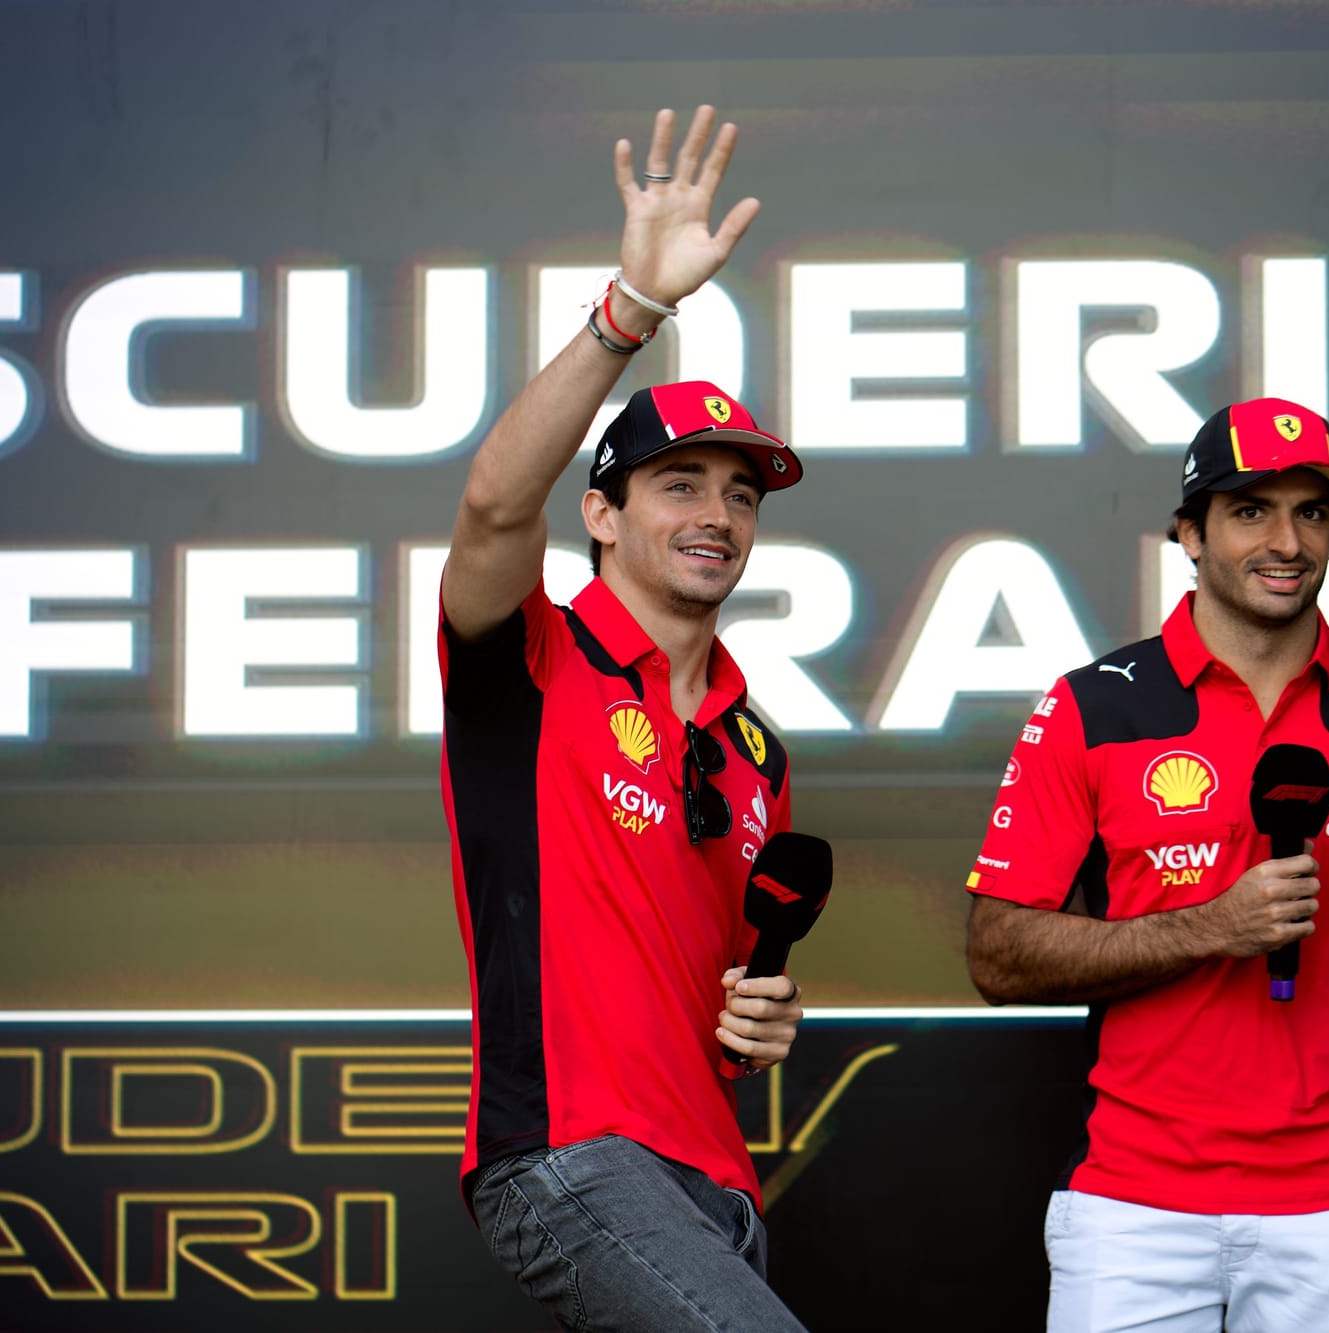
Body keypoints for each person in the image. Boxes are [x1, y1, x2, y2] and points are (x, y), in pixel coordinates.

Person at [965, 398, 1329, 1332]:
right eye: (1252, 509)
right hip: (1132, 1207)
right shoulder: (1095, 707)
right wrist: (1210, 928)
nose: (1287, 540)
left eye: (1314, 512)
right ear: (1189, 532)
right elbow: (998, 955)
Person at [438, 105, 809, 1331]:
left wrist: (756, 1014)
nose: (717, 513)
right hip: (568, 1155)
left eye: (740, 493)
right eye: (679, 484)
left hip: (720, 1184)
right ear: (600, 516)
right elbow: (495, 504)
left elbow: (710, 1000)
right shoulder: (532, 657)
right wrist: (628, 312)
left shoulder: (757, 745)